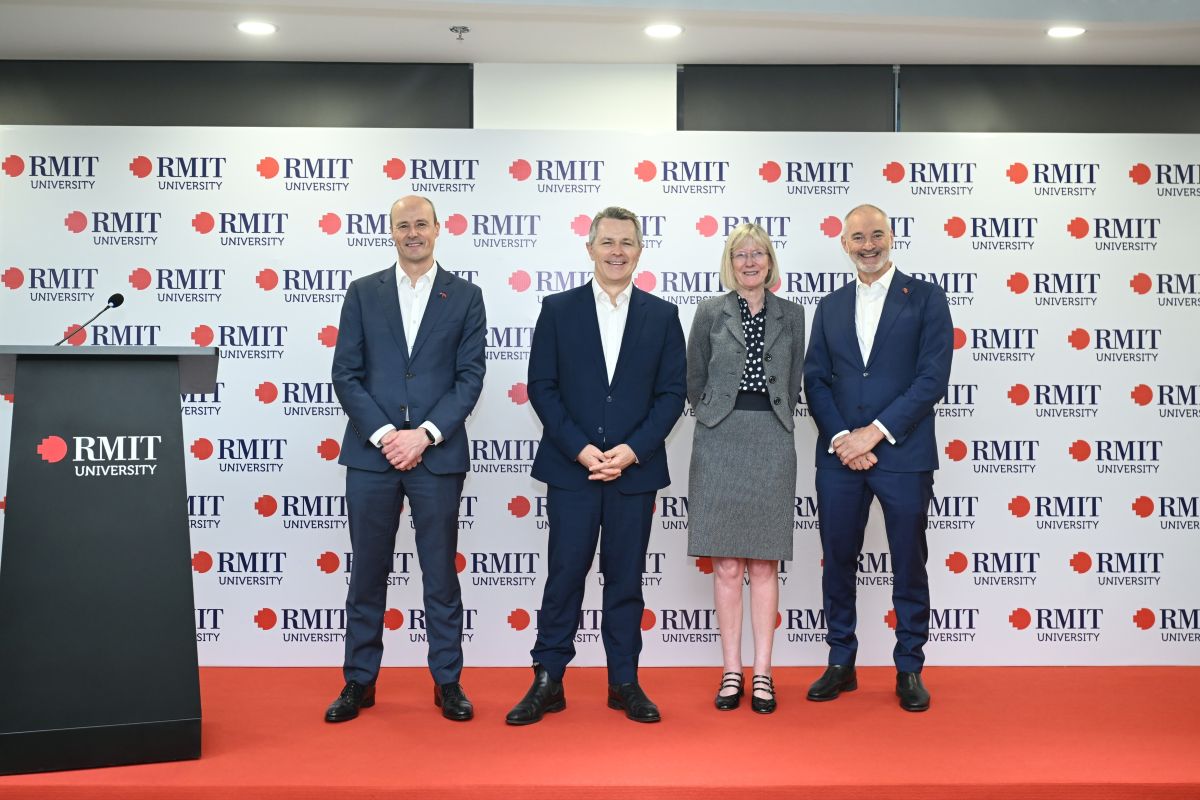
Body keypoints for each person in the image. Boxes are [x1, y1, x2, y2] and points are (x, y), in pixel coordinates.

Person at [505, 206, 686, 725]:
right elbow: (542, 386)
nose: (617, 252)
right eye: (607, 242)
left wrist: (632, 451)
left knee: (626, 580)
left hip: (634, 473)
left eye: (627, 242)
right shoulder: (558, 310)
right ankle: (548, 680)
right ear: (589, 249)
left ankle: (624, 681)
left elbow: (673, 394)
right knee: (563, 576)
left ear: (640, 250)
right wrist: (580, 448)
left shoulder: (661, 315)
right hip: (572, 469)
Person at [326, 195, 486, 723]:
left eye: (421, 224)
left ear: (438, 229)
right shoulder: (362, 293)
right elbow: (345, 374)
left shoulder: (466, 297)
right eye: (403, 225)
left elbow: (470, 379)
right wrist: (387, 435)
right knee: (367, 573)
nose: (413, 233)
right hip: (372, 458)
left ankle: (448, 682)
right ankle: (359, 682)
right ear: (390, 232)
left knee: (440, 573)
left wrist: (425, 436)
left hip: (436, 457)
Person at [802, 203, 952, 712]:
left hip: (904, 455)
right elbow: (815, 379)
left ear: (892, 237)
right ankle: (840, 661)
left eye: (877, 235)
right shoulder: (830, 305)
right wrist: (845, 437)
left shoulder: (927, 298)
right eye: (857, 237)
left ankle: (909, 666)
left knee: (909, 562)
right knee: (837, 561)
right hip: (840, 456)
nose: (868, 245)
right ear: (843, 244)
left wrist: (874, 434)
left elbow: (932, 379)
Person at [686, 223, 805, 714]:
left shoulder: (793, 315)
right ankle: (731, 671)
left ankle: (763, 673)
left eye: (758, 254)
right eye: (740, 255)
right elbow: (694, 377)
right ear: (729, 263)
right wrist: (716, 413)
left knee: (764, 562)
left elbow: (796, 373)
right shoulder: (709, 312)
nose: (750, 262)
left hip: (772, 439)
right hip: (719, 438)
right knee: (729, 565)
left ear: (770, 261)